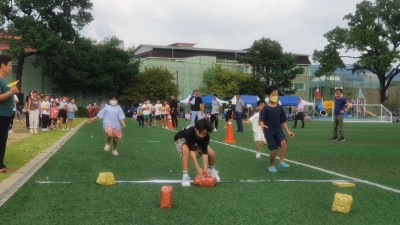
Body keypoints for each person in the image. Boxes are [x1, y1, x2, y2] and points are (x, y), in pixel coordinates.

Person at [174, 118, 220, 186]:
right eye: (200, 133)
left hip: (195, 141)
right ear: (196, 129)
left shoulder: (206, 137)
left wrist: (205, 170)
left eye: (204, 133)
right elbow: (192, 152)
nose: (201, 135)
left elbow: (205, 154)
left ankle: (211, 169)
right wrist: (197, 169)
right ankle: (185, 176)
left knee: (211, 153)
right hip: (182, 138)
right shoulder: (190, 132)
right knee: (185, 150)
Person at [259, 86, 294, 173]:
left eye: (277, 94)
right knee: (274, 150)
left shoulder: (280, 108)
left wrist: (288, 131)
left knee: (283, 142)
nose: (275, 96)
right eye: (273, 94)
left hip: (278, 130)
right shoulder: (265, 108)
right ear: (268, 96)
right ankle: (271, 165)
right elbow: (261, 120)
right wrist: (262, 124)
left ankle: (281, 161)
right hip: (269, 131)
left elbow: (283, 121)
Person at [0, 55, 20, 173]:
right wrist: (11, 92)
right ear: (3, 65)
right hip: (1, 115)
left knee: (3, 140)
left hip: (6, 115)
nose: (11, 68)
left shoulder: (4, 80)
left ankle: (1, 164)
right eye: (10, 65)